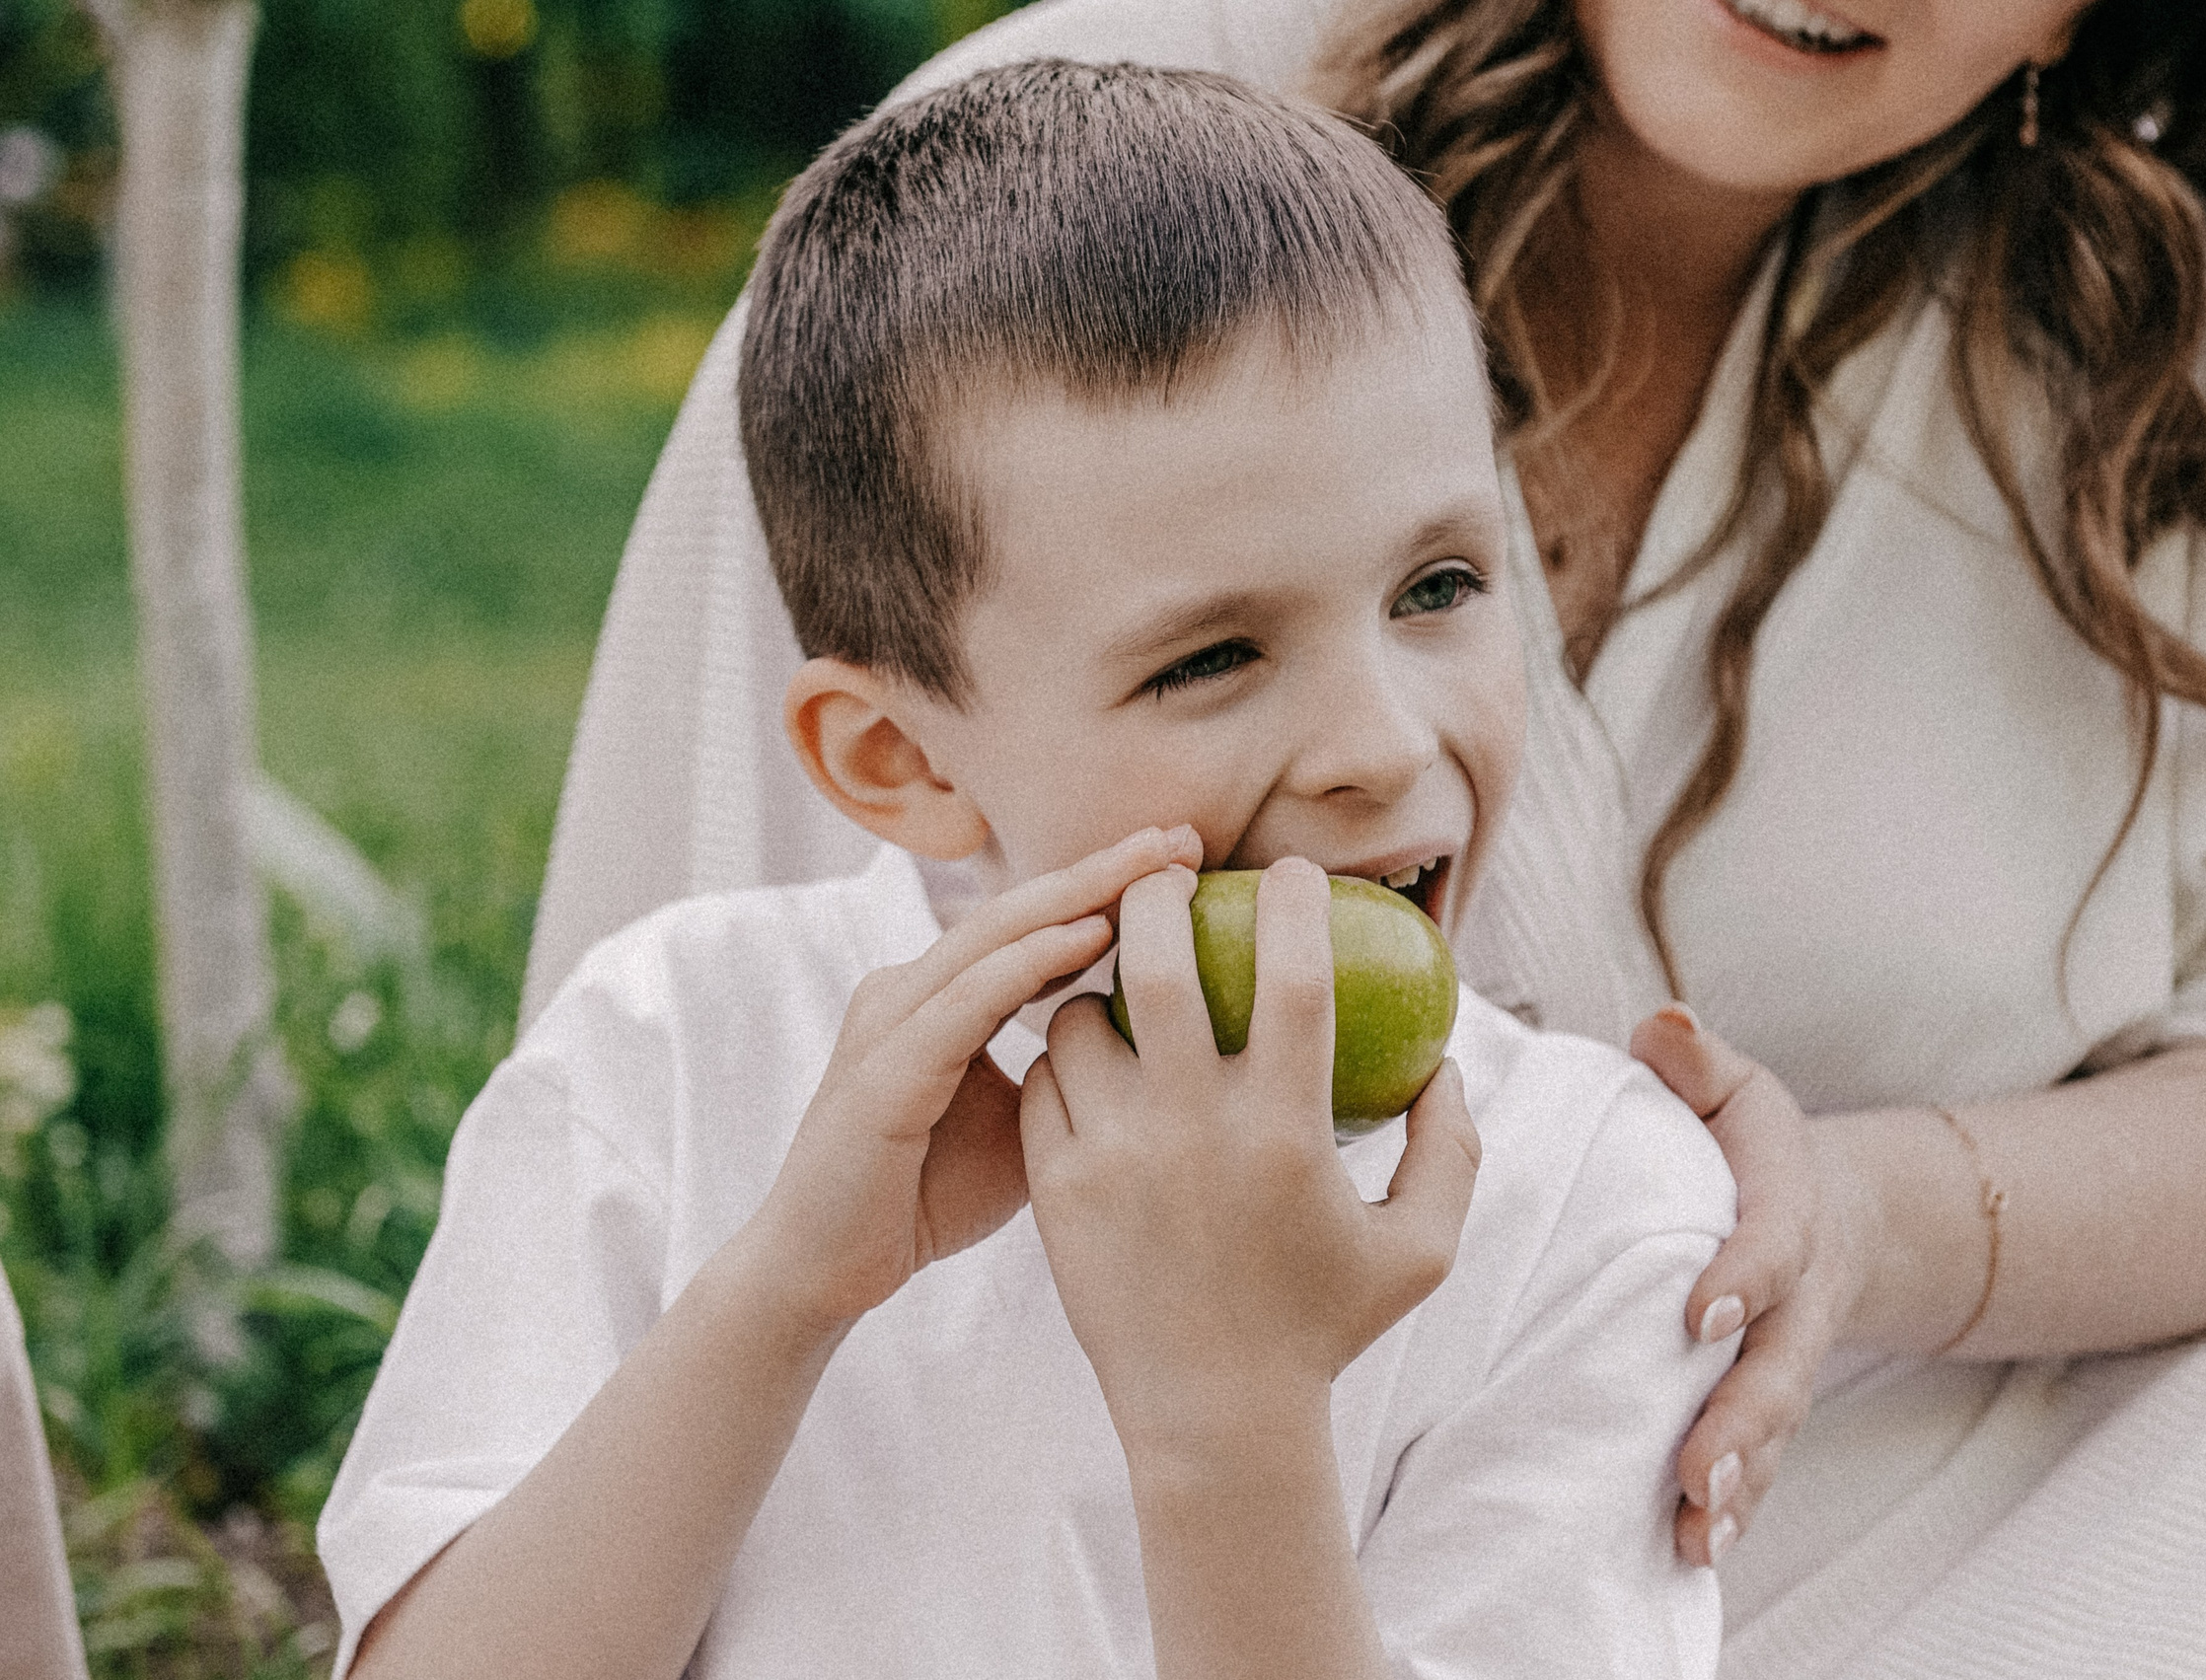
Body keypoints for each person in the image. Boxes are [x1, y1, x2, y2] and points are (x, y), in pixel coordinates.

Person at [524, 0, 2206, 1674]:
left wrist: (1854, 1217)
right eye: (1213, 652)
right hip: (1080, 1575)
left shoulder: (2144, 370)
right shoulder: (1023, 205)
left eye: (1440, 589)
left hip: (1876, 1535)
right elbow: (715, 1072)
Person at [318, 61, 1741, 1680]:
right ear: (902, 762)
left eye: (1439, 584)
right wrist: (783, 1292)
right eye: (1210, 657)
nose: (1380, 741)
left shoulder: (1591, 1206)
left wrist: (1235, 1421)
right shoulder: (678, 1047)